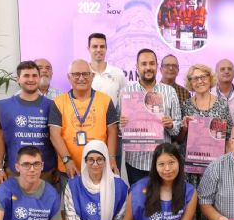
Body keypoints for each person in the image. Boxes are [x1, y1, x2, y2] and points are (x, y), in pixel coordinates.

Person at [176, 64, 232, 220]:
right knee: (192, 205)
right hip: (190, 165)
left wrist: (227, 165)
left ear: (210, 79)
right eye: (194, 78)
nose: (199, 81)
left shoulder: (222, 105)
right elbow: (180, 139)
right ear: (190, 83)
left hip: (214, 167)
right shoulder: (186, 106)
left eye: (203, 77)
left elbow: (228, 137)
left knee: (212, 205)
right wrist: (183, 127)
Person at [49, 59, 120, 182]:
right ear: (69, 77)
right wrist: (67, 160)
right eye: (76, 74)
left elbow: (113, 131)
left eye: (85, 74)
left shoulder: (105, 100)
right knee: (72, 201)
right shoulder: (59, 102)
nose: (81, 78)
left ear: (92, 76)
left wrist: (112, 158)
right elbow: (54, 135)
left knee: (100, 201)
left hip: (99, 166)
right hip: (69, 168)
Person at [120, 49, 182, 185]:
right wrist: (122, 125)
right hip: (135, 162)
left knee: (162, 203)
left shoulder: (169, 92)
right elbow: (119, 130)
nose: (148, 67)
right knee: (139, 203)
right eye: (144, 64)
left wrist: (171, 124)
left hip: (163, 162)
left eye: (151, 63)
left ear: (157, 66)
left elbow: (177, 128)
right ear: (137, 67)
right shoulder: (126, 93)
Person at [0, 61, 57, 186]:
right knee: (15, 206)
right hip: (14, 172)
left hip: (45, 173)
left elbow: (56, 137)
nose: (31, 79)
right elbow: (0, 139)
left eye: (34, 76)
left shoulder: (52, 106)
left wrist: (58, 167)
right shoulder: (3, 106)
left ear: (39, 78)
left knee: (44, 205)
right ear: (18, 79)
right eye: (26, 76)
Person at [89, 33, 128, 107]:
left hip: (112, 118)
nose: (98, 49)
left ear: (106, 48)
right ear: (88, 49)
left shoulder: (118, 73)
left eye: (102, 46)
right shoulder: (82, 75)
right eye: (95, 46)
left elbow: (125, 104)